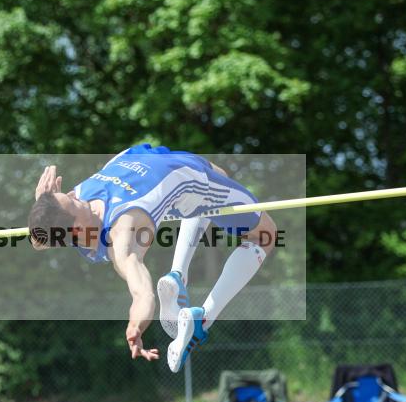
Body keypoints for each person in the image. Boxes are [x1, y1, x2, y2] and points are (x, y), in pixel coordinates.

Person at [28, 144, 277, 372]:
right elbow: (143, 294)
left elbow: (40, 240)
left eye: (68, 195)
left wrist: (42, 202)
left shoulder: (72, 204)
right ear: (76, 231)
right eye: (73, 203)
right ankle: (200, 317)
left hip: (138, 158)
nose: (75, 196)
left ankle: (178, 277)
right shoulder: (121, 238)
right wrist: (135, 327)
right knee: (265, 234)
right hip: (177, 174)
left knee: (219, 175)